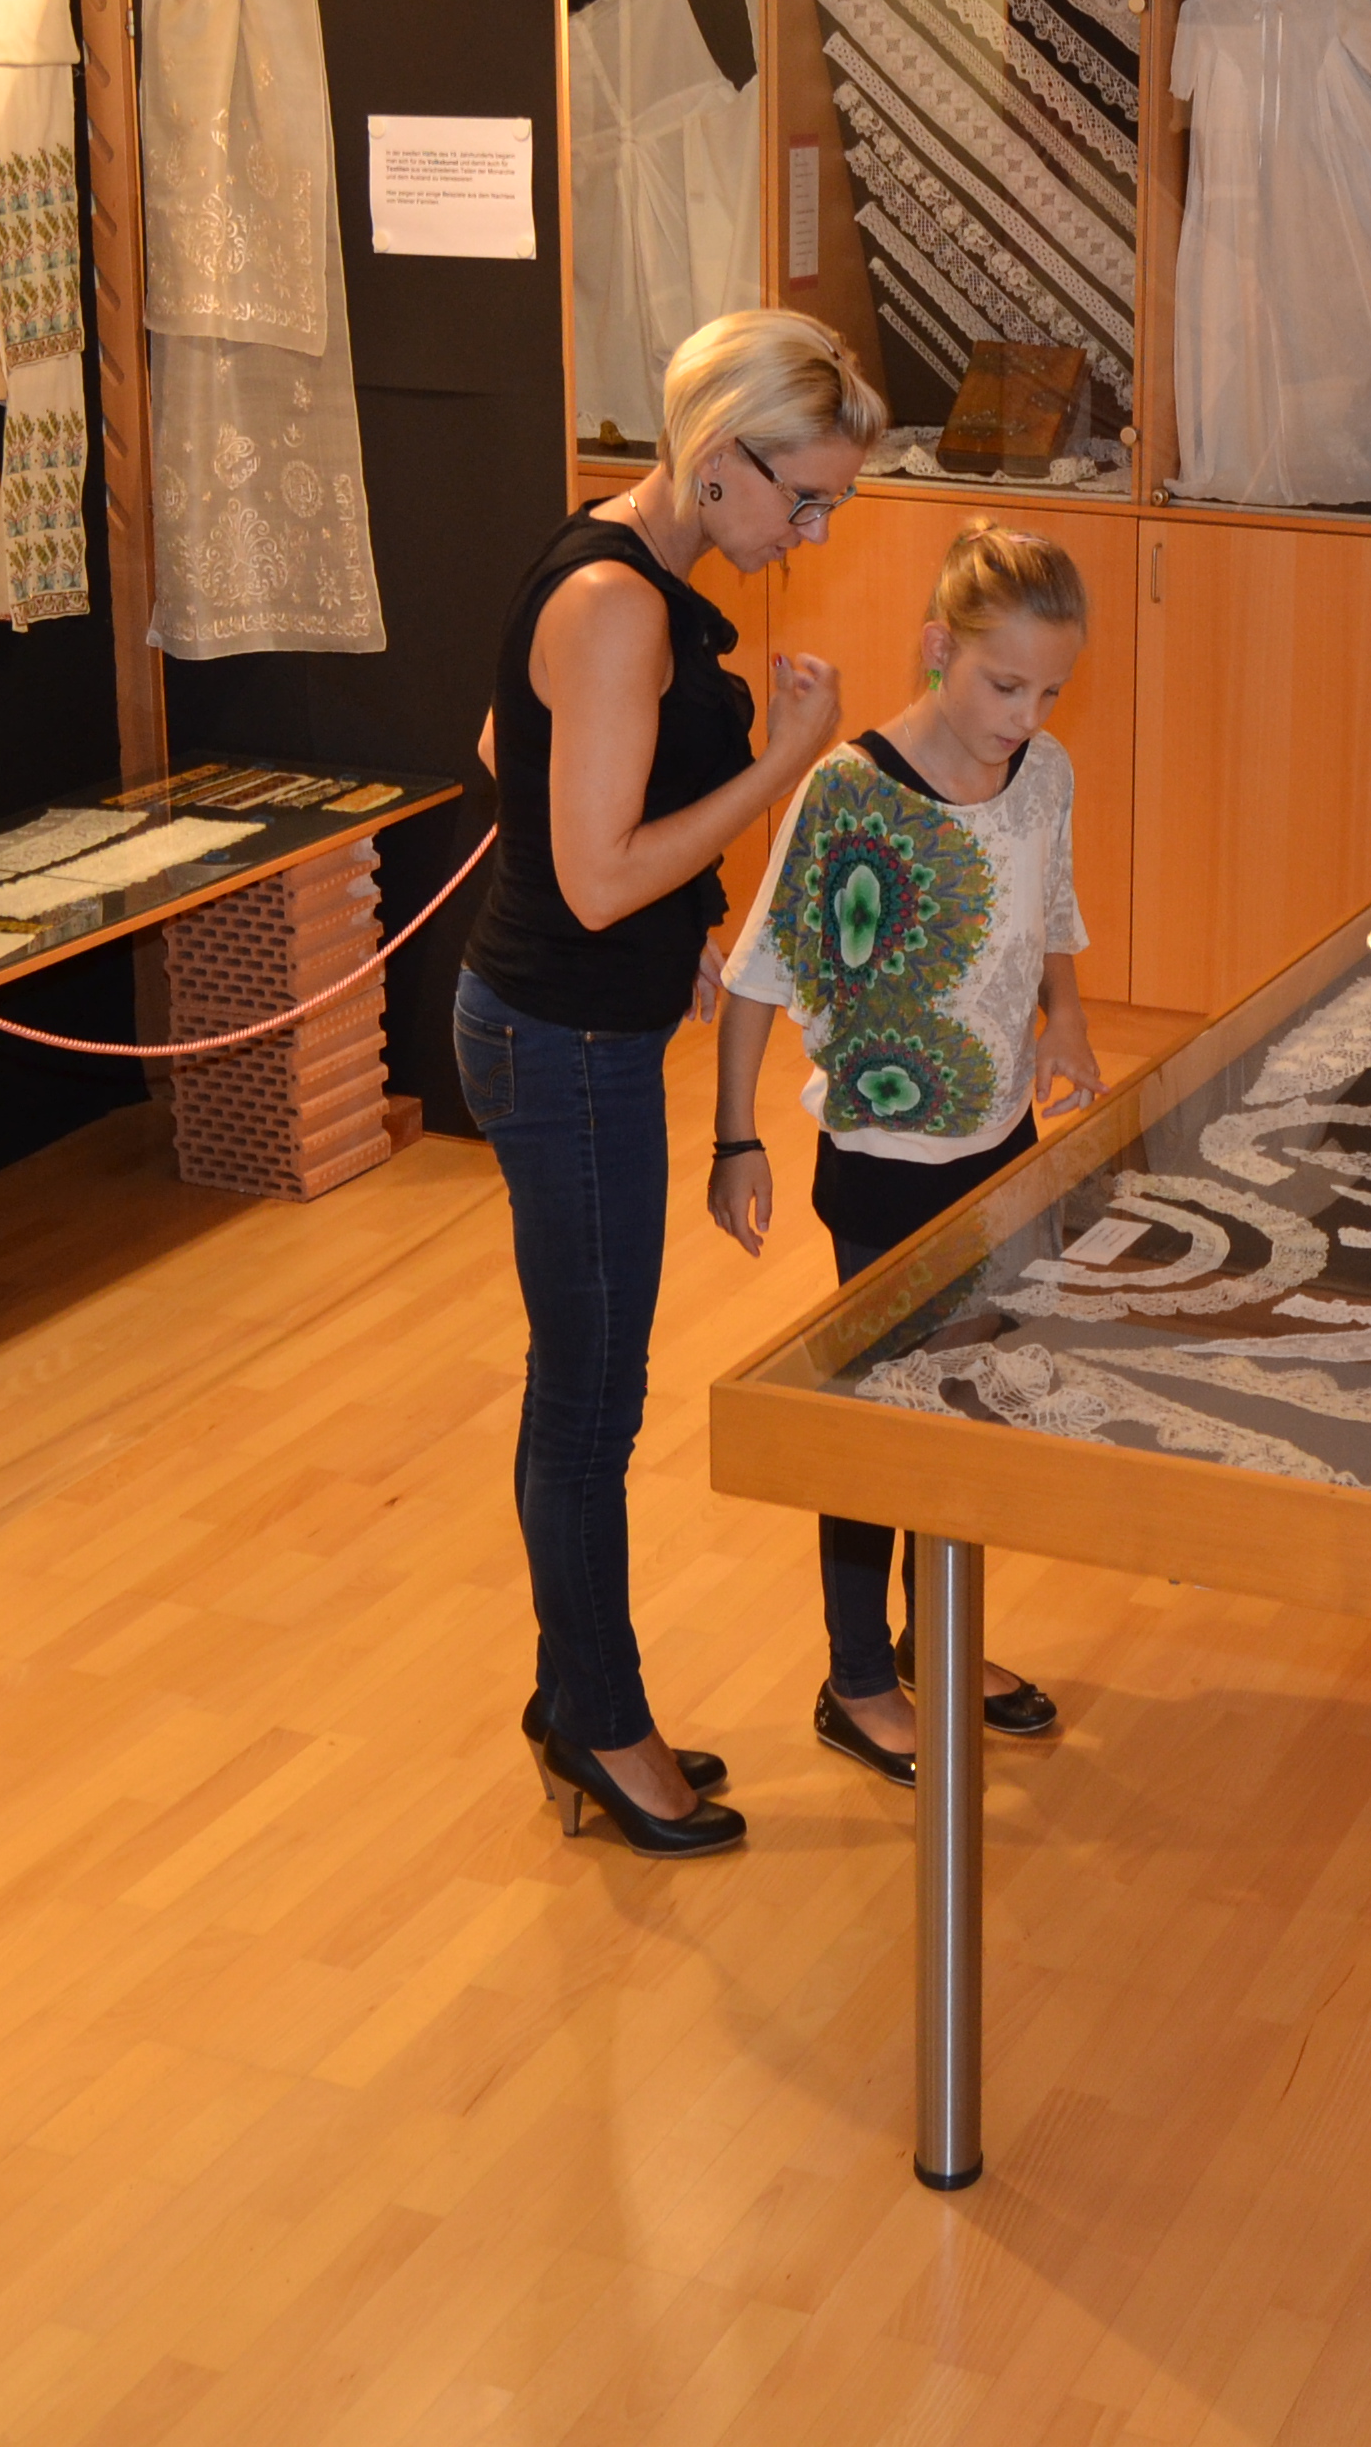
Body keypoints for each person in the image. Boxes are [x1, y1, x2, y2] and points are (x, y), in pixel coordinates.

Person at [461, 308, 881, 1859]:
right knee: (591, 1407)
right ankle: (597, 1720)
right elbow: (590, 881)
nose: (809, 533)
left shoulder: (617, 560)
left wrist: (680, 933)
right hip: (563, 1045)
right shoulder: (617, 604)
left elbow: (503, 747)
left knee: (582, 1389)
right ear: (721, 459)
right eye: (804, 498)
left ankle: (579, 1696)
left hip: (577, 1026)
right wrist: (785, 764)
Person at [707, 522, 1102, 1785]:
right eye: (1004, 685)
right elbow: (759, 971)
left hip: (1001, 1144)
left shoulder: (1044, 775)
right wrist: (734, 1136)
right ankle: (856, 1677)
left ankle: (937, 1636)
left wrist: (1069, 1021)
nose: (1024, 717)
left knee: (967, 1409)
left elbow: (1051, 908)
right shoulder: (849, 793)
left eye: (1049, 692)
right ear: (940, 648)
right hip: (881, 1158)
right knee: (880, 1419)